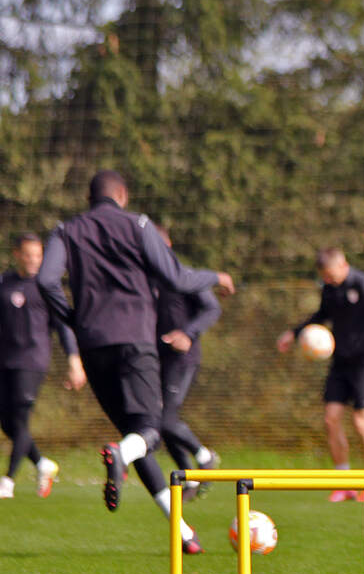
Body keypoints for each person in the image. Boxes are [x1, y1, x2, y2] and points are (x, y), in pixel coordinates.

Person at [36, 170, 235, 553]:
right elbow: (176, 277)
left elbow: (46, 281)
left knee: (135, 435)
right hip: (135, 341)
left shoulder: (65, 230)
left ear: (88, 197)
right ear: (122, 195)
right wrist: (215, 275)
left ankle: (182, 532)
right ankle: (120, 455)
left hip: (93, 344)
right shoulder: (139, 225)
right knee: (148, 432)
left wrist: (73, 318)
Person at [277, 247, 364, 501]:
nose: (328, 280)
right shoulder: (330, 289)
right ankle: (344, 483)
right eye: (325, 276)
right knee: (331, 418)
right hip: (340, 362)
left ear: (342, 265)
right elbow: (322, 315)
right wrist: (295, 332)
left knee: (362, 421)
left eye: (330, 275)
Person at [0, 233, 87, 499]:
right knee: (8, 423)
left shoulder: (46, 286)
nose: (34, 260)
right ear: (17, 254)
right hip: (5, 361)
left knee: (21, 419)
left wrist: (74, 360)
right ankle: (42, 463)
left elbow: (63, 327)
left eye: (38, 255)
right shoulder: (4, 283)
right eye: (28, 254)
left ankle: (8, 481)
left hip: (33, 360)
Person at [154, 226, 222, 501]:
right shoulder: (144, 279)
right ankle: (190, 478)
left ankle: (205, 457)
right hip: (155, 359)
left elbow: (212, 308)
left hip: (183, 359)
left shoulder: (185, 275)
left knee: (165, 419)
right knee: (158, 423)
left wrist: (188, 334)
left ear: (167, 244)